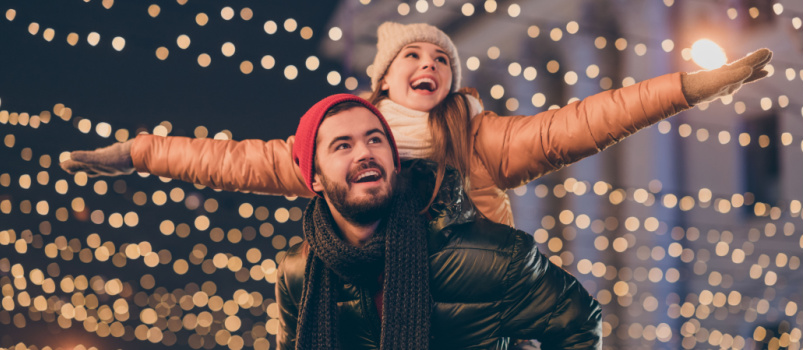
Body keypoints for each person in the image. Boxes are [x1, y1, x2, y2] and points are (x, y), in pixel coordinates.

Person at [60, 22, 772, 228]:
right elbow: (229, 161)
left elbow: (586, 122)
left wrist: (691, 87)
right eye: (413, 55)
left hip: (469, 313)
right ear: (384, 76)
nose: (430, 64)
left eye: (441, 59)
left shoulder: (480, 139)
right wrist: (136, 153)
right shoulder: (336, 145)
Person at [275, 93, 601, 349]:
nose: (364, 152)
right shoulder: (297, 272)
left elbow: (579, 322)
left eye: (375, 139)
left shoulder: (493, 253)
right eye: (343, 145)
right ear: (314, 178)